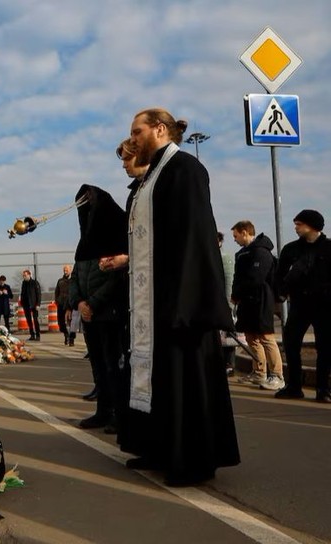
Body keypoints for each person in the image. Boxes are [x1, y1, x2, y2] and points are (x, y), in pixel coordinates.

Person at [101, 108, 240, 486]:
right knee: (158, 376)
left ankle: (192, 460)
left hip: (181, 300)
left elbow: (194, 239)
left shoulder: (185, 170)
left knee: (184, 379)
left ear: (159, 129)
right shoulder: (152, 178)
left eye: (137, 131)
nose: (132, 138)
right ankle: (159, 448)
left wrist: (184, 298)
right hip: (155, 297)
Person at [70, 185, 128, 431]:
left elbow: (115, 280)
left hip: (108, 313)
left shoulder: (116, 238)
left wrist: (92, 303)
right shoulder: (84, 244)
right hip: (90, 315)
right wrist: (79, 302)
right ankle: (102, 410)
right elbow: (75, 277)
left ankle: (118, 412)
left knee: (113, 364)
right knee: (97, 364)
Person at [275, 210, 331, 402]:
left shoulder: (329, 248)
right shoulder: (291, 250)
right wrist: (281, 292)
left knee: (325, 348)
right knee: (291, 345)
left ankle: (323, 390)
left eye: (299, 224)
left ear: (312, 226)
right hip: (299, 304)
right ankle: (294, 386)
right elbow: (279, 275)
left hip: (324, 306)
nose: (296, 228)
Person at [231, 220, 284, 390]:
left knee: (266, 337)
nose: (235, 239)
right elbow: (238, 277)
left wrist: (238, 293)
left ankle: (277, 375)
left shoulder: (262, 252)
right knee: (251, 337)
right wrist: (236, 295)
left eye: (236, 235)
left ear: (245, 232)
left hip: (261, 299)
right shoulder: (242, 254)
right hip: (246, 301)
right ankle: (259, 372)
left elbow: (256, 278)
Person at [217, 232, 238, 376]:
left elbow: (229, 281)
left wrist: (229, 305)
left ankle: (229, 364)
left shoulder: (225, 258)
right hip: (214, 304)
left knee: (228, 335)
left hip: (224, 304)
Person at [54, 265, 75, 346]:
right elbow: (57, 291)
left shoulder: (73, 280)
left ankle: (71, 338)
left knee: (71, 322)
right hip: (61, 303)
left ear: (70, 270)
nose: (65, 271)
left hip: (70, 304)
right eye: (64, 270)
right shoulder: (60, 281)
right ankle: (66, 334)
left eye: (66, 270)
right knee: (61, 322)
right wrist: (57, 300)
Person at [20, 270, 41, 341]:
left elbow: (38, 294)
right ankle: (32, 334)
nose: (24, 277)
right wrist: (22, 302)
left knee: (35, 320)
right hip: (26, 304)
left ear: (29, 275)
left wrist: (38, 304)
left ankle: (38, 335)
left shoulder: (34, 283)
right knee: (29, 320)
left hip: (34, 304)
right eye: (23, 276)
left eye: (25, 275)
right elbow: (22, 293)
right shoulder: (24, 283)